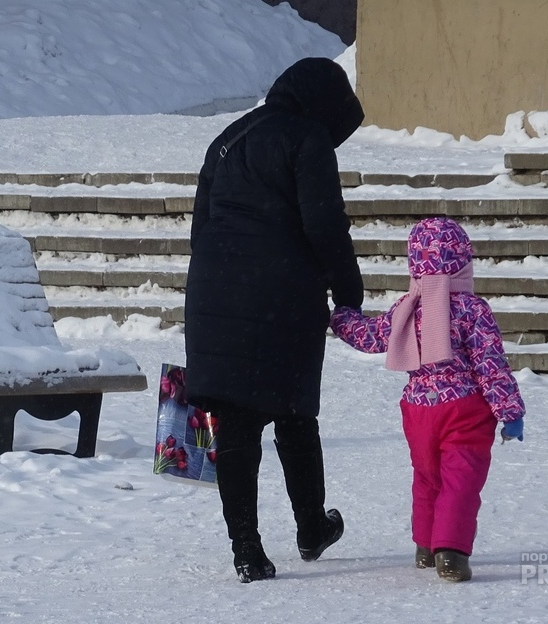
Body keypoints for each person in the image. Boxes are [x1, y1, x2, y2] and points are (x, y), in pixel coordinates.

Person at [183, 57, 365, 583]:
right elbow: (324, 221)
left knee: (236, 425)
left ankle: (247, 550)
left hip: (216, 298)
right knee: (294, 415)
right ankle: (311, 527)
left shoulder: (227, 138)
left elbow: (201, 229)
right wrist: (347, 289)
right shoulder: (305, 137)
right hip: (284, 294)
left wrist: (224, 281)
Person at [329, 217, 525, 582]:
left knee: (427, 477)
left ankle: (424, 547)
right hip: (464, 408)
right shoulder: (471, 309)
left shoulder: (408, 307)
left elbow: (371, 335)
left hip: (418, 411)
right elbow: (491, 365)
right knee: (460, 479)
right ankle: (450, 552)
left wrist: (342, 318)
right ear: (463, 261)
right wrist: (509, 411)